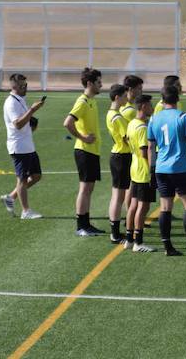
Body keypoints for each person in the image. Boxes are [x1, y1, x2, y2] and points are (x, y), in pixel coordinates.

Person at [148, 85, 186, 257]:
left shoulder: (153, 118)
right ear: (178, 99)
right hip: (180, 167)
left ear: (162, 100)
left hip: (161, 168)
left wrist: (152, 170)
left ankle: (168, 247)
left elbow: (151, 146)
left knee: (165, 207)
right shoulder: (184, 116)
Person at [63, 67, 104, 236]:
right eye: (98, 82)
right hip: (84, 151)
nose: (101, 85)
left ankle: (86, 224)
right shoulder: (82, 101)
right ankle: (81, 226)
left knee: (89, 189)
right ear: (89, 83)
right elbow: (67, 123)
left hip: (92, 151)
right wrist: (82, 137)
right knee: (84, 189)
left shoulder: (91, 100)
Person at [0, 73, 45, 219]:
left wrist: (32, 124)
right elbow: (17, 124)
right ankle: (25, 211)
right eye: (22, 85)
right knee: (22, 179)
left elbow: (24, 123)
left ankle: (11, 197)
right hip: (19, 147)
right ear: (14, 86)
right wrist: (32, 110)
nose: (25, 87)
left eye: (26, 84)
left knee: (36, 176)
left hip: (28, 146)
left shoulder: (20, 100)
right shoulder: (11, 102)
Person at [124, 95, 155, 252]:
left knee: (133, 205)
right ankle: (139, 242)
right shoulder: (143, 127)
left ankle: (129, 239)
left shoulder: (132, 123)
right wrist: (153, 170)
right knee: (143, 207)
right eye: (150, 105)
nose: (152, 107)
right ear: (143, 106)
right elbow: (145, 152)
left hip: (134, 169)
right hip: (144, 171)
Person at [106, 84, 132, 243]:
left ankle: (115, 232)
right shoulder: (117, 116)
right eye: (124, 96)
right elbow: (127, 138)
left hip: (117, 155)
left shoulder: (111, 114)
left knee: (117, 195)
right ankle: (115, 234)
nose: (126, 98)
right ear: (117, 97)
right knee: (118, 196)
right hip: (122, 156)